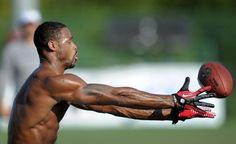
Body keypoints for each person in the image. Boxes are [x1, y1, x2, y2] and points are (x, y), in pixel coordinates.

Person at [7, 21, 216, 144]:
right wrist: (173, 99)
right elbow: (117, 95)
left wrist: (173, 113)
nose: (75, 47)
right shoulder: (52, 82)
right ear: (53, 46)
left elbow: (113, 107)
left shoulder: (52, 84)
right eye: (69, 41)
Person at [0, 10, 41, 119]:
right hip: (22, 103)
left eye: (31, 25)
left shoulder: (47, 47)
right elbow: (4, 76)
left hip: (47, 102)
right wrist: (1, 102)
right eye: (26, 25)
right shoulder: (12, 49)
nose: (29, 28)